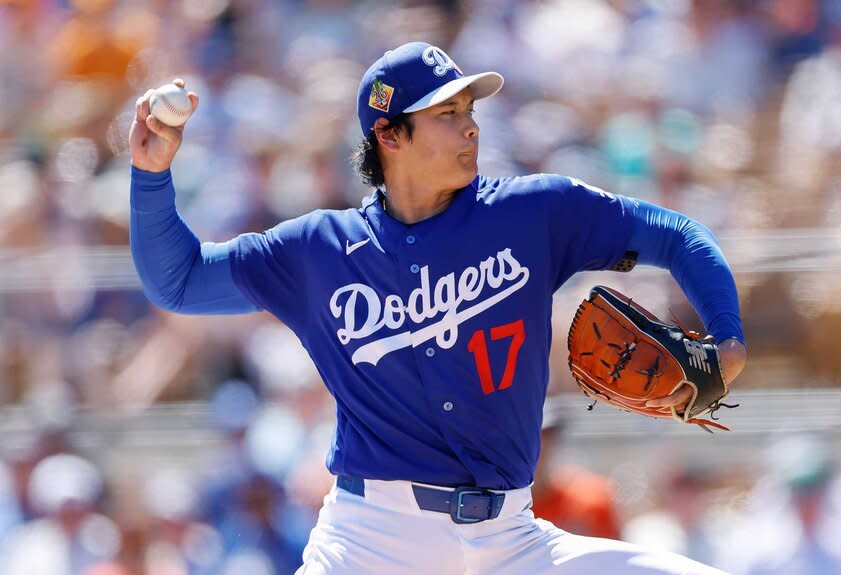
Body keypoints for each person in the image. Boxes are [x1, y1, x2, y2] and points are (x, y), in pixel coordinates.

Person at [128, 42, 747, 575]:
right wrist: (151, 176)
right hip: (371, 543)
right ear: (389, 135)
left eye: (469, 111)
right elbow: (179, 281)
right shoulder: (319, 251)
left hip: (511, 539)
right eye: (447, 114)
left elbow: (678, 234)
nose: (471, 127)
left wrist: (728, 338)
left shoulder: (532, 213)